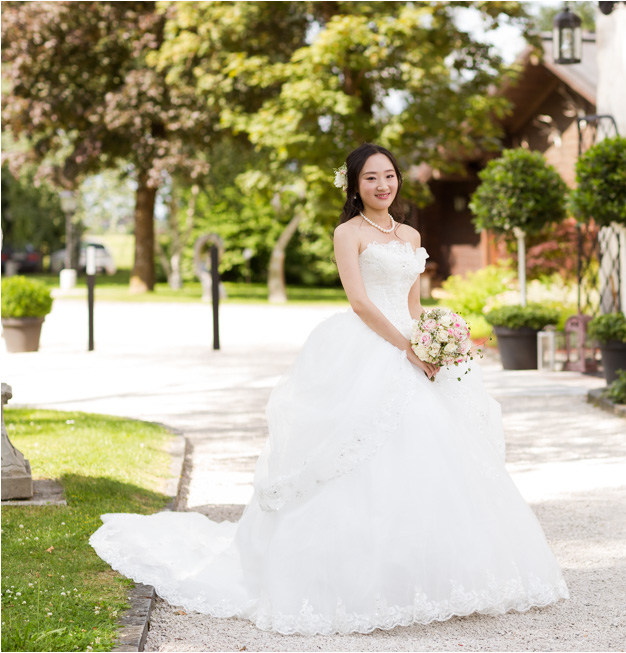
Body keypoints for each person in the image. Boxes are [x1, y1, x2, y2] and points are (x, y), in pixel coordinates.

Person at [90, 143, 570, 636]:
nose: (383, 186)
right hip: (370, 348)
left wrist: (436, 341)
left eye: (389, 176)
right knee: (354, 453)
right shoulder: (348, 233)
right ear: (354, 186)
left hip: (414, 348)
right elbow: (360, 302)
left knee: (434, 449)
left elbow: (415, 302)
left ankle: (427, 575)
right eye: (371, 179)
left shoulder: (410, 234)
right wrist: (407, 346)